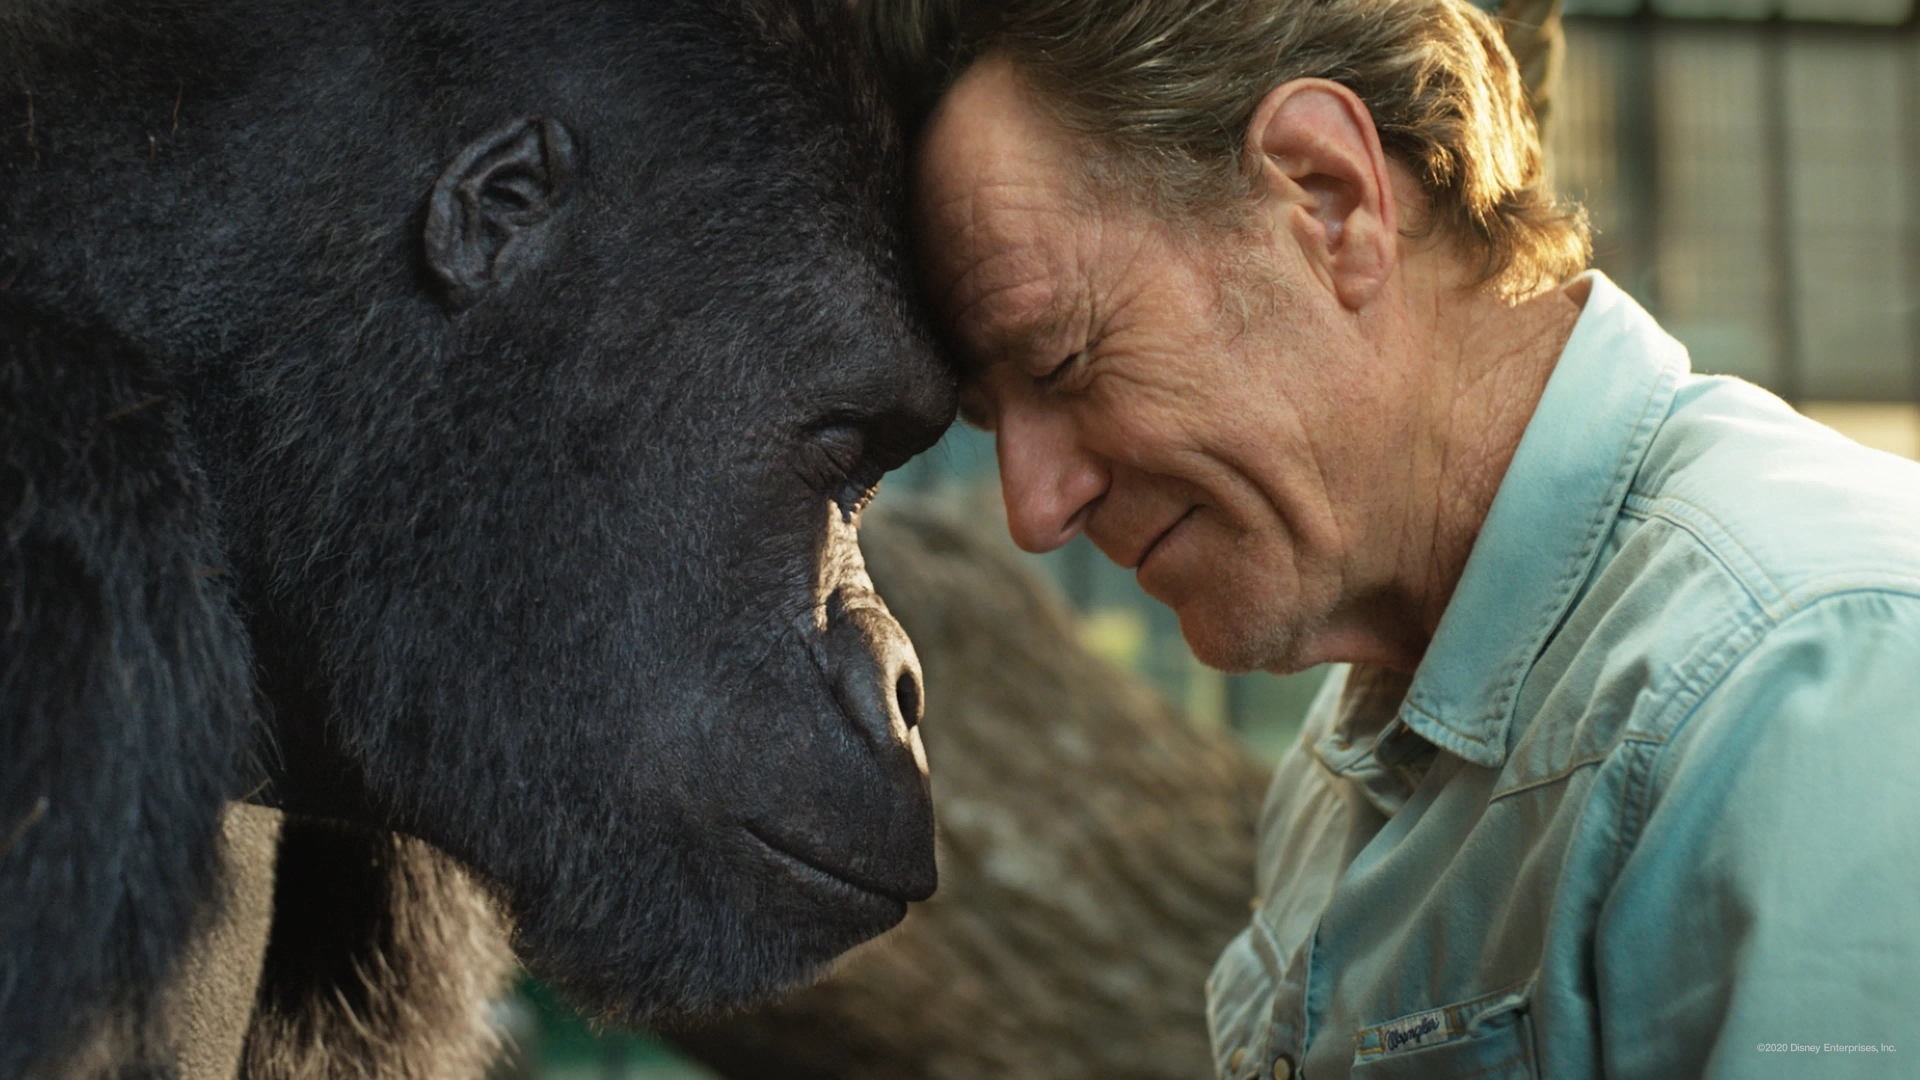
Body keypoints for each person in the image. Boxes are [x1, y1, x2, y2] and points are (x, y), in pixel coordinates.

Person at [859, 0, 1920, 1076]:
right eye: (993, 424)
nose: (1036, 511)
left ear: (1330, 200)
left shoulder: (1808, 681)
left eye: (1060, 363)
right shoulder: (1352, 755)